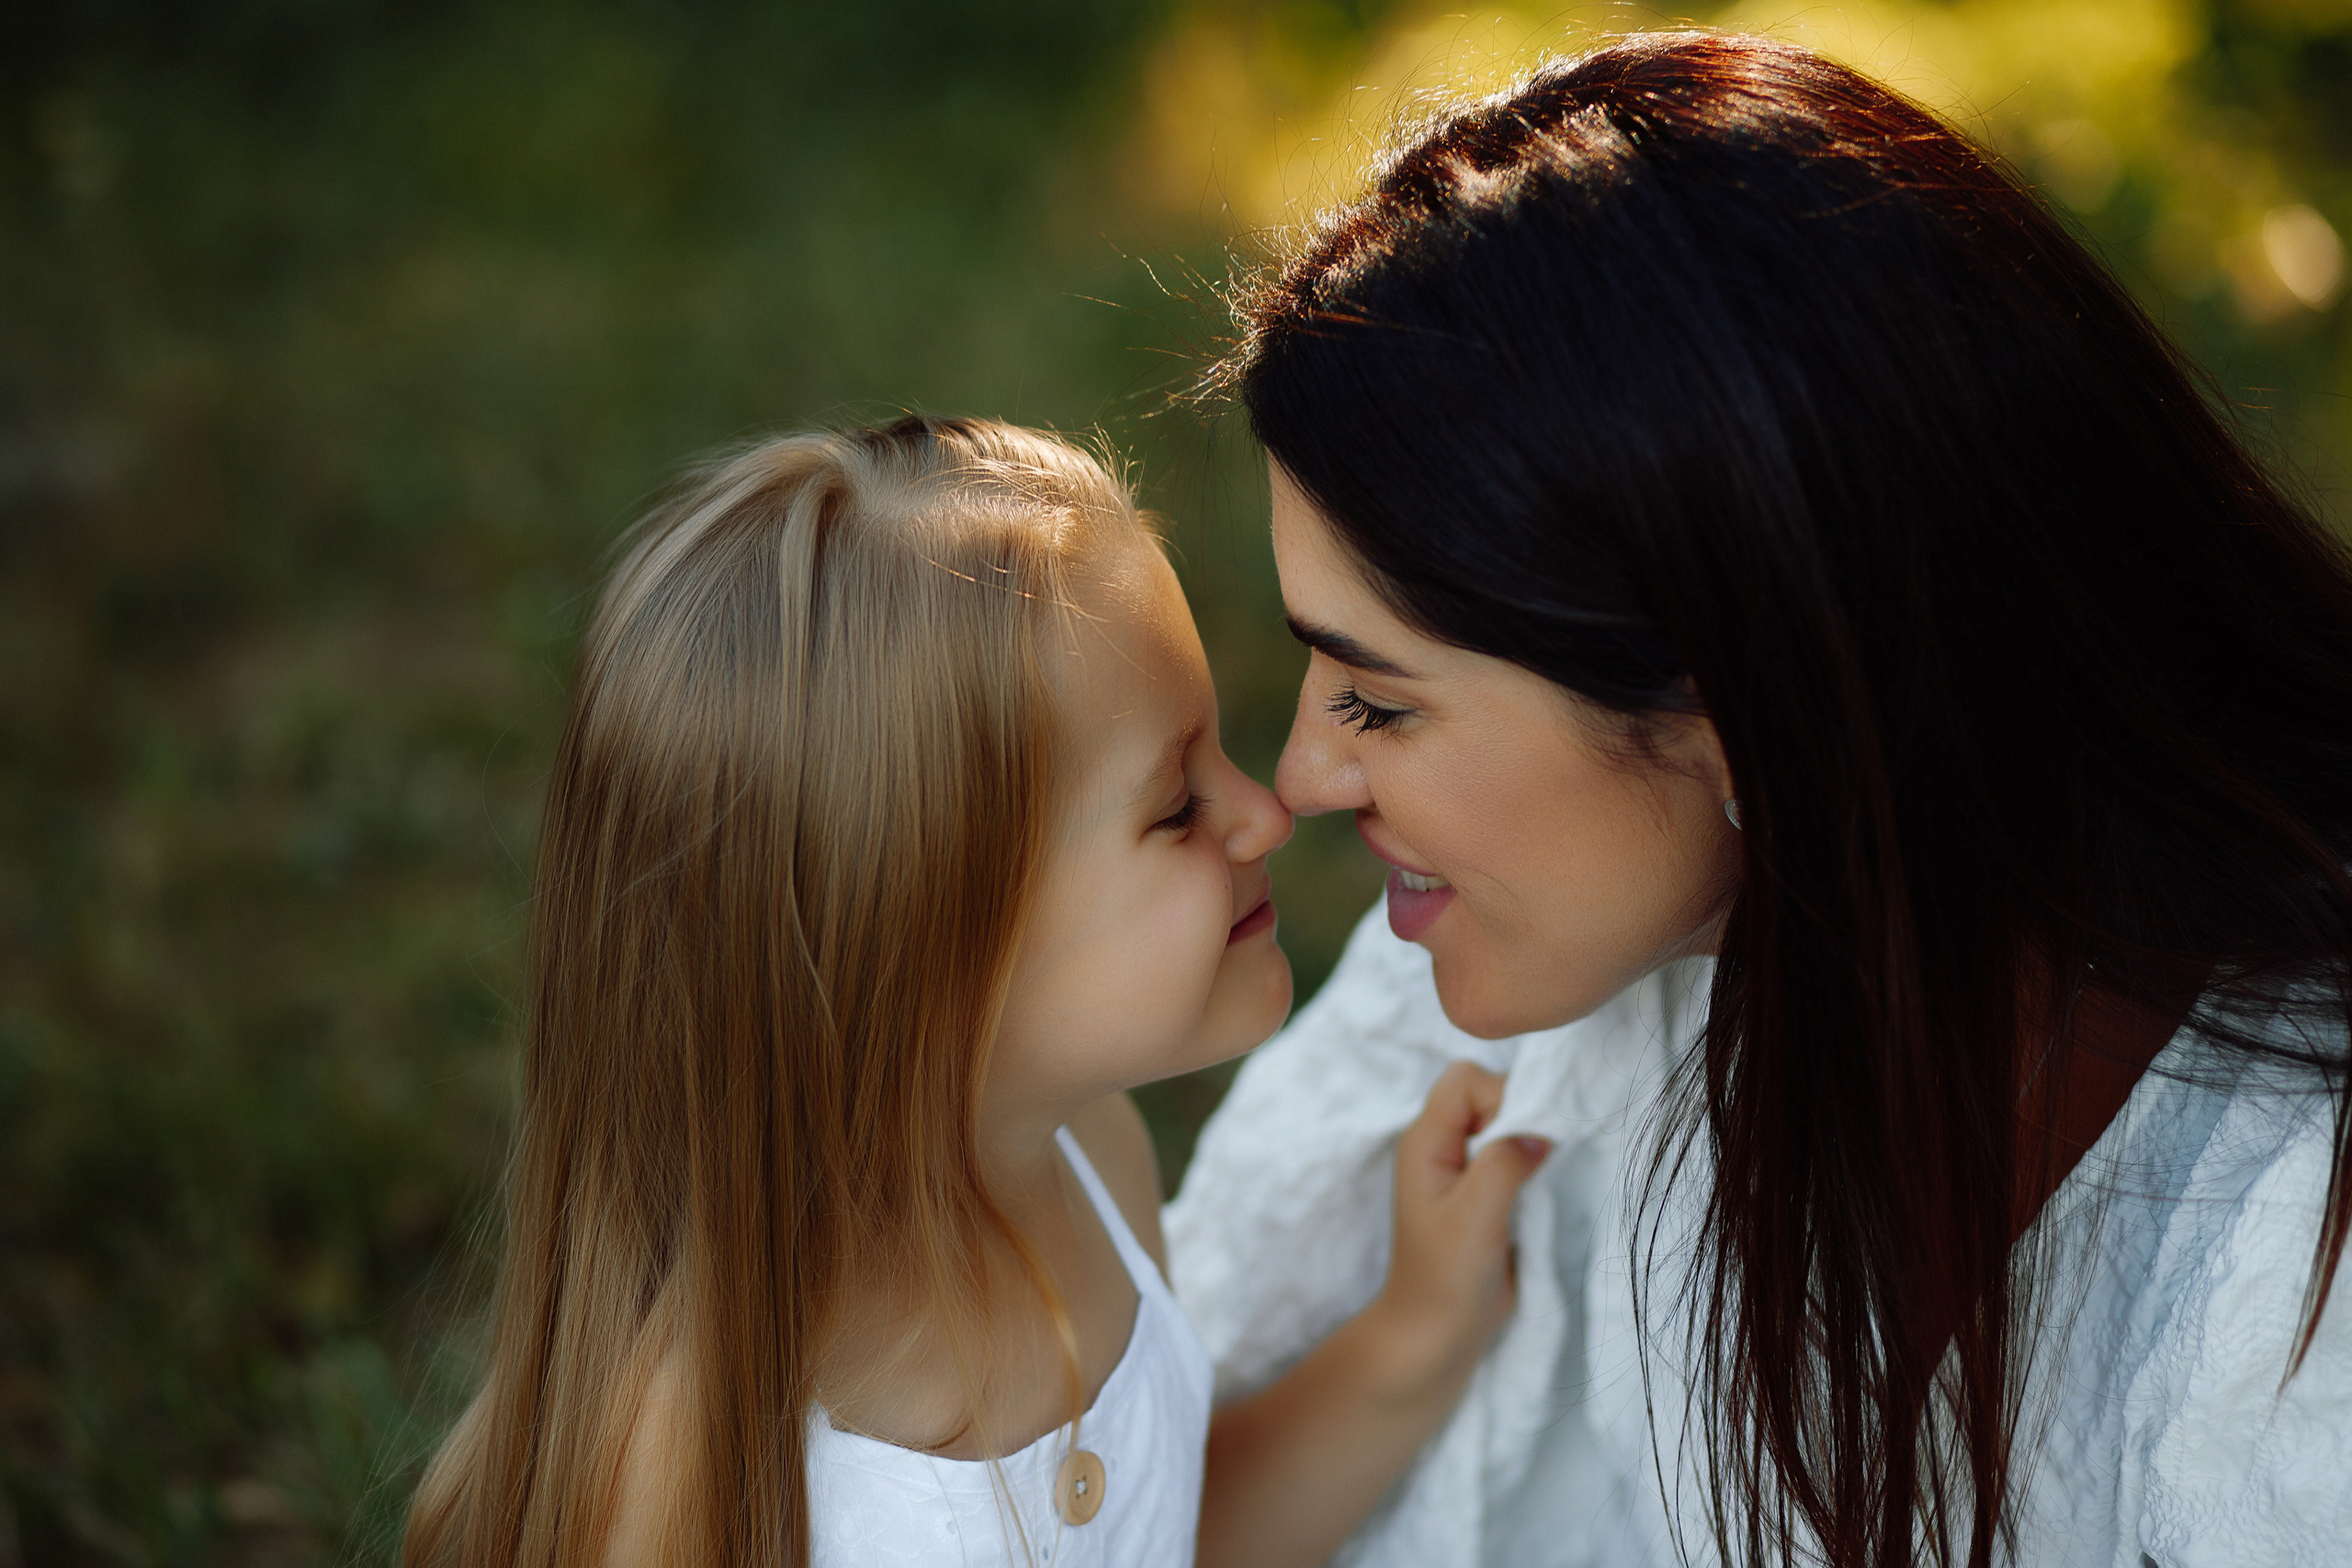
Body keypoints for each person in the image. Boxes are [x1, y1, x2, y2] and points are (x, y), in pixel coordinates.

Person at [1170, 31, 2352, 1568]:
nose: (1306, 779)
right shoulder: (1531, 983)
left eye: (1379, 699)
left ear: (1746, 724)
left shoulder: (2295, 1308)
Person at [397, 415, 1542, 1568]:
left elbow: (1170, 1540)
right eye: (1173, 807)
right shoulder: (694, 1465)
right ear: (928, 952)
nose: (1264, 811)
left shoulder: (1093, 1158)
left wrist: (1414, 1338)